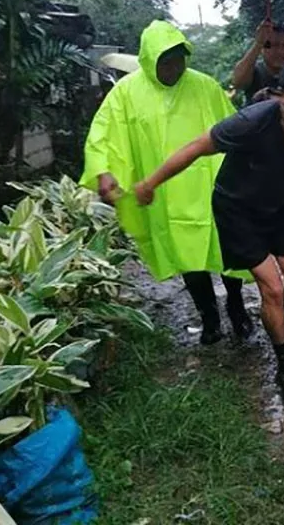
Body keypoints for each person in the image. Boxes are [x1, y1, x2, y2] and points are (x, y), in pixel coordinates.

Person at [134, 58, 284, 408]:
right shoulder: (251, 122)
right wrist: (151, 182)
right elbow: (195, 147)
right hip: (237, 211)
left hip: (279, 208)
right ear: (278, 97)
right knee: (272, 287)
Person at [80, 20, 253, 346]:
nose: (173, 68)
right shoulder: (125, 94)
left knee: (226, 249)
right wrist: (104, 172)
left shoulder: (204, 86)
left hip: (211, 186)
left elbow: (236, 127)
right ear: (149, 60)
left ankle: (237, 306)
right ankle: (209, 317)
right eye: (165, 61)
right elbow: (102, 135)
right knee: (187, 256)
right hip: (163, 193)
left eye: (178, 60)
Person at [232, 19, 284, 106]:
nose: (280, 51)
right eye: (274, 45)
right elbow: (238, 82)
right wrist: (259, 43)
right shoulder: (254, 70)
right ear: (262, 49)